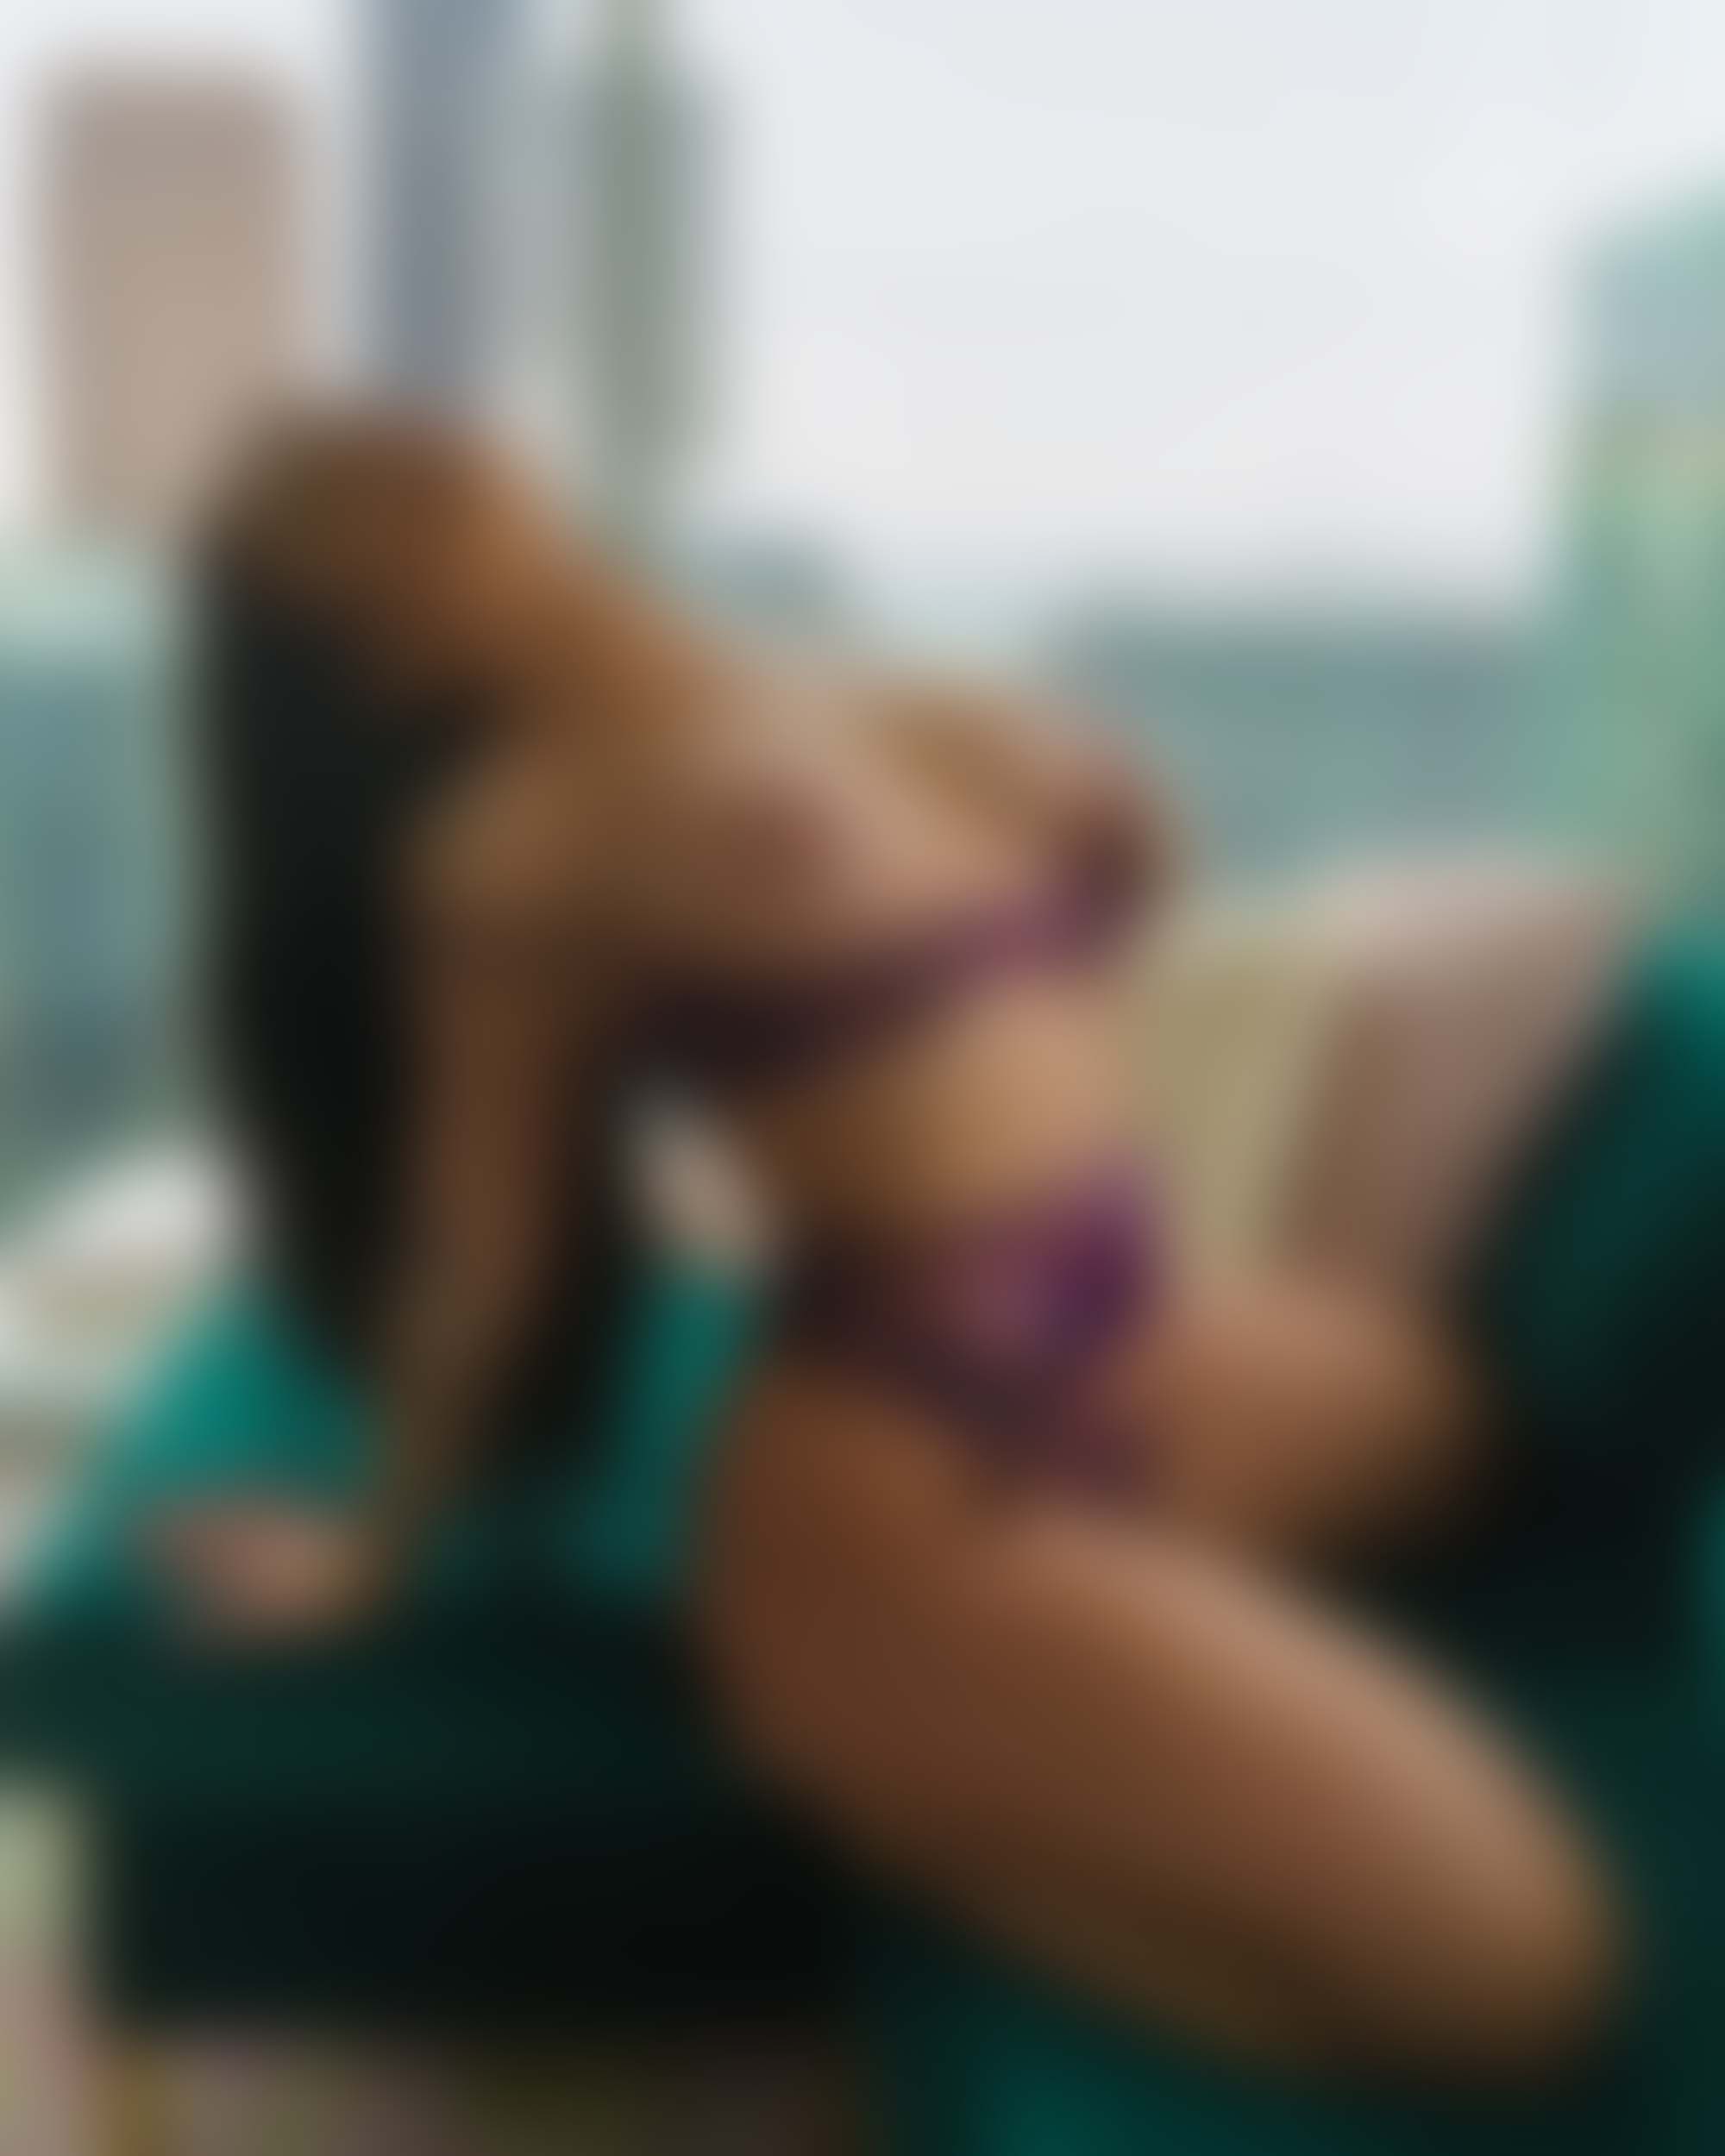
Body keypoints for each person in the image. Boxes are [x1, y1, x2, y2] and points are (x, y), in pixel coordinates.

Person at [161, 412, 1621, 2081]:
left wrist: (1105, 816)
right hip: (910, 1478)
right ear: (384, 653)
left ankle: (1026, 1721)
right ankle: (920, 1810)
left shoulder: (857, 689)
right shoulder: (513, 849)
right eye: (363, 545)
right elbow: (478, 1264)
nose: (426, 504)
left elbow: (1093, 960)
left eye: (412, 466)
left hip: (1125, 1340)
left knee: (1458, 1432)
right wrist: (373, 1555)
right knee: (1530, 1986)